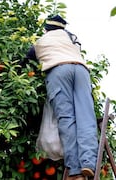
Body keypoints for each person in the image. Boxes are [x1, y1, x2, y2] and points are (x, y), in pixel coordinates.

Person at [25, 15, 98, 180]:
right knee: (86, 117)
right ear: (63, 28)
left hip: (58, 72)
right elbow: (77, 49)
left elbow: (27, 58)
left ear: (46, 28)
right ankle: (88, 163)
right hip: (81, 71)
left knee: (67, 119)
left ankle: (75, 170)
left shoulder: (40, 41)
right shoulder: (71, 37)